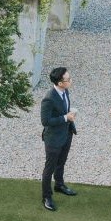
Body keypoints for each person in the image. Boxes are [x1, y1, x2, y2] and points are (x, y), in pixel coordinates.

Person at [39, 67, 77, 212]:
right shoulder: (48, 99)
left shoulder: (65, 91)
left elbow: (63, 109)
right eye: (68, 79)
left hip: (67, 133)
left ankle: (59, 185)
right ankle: (46, 197)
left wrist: (68, 115)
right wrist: (65, 117)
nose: (71, 81)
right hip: (53, 138)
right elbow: (45, 121)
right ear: (60, 83)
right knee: (49, 168)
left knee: (61, 162)